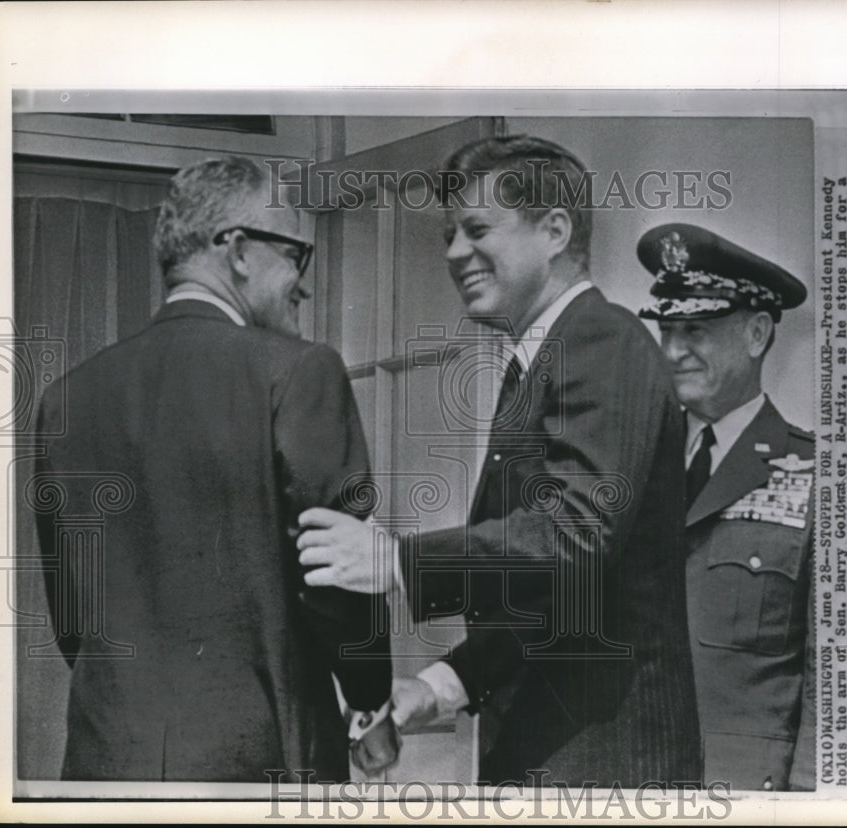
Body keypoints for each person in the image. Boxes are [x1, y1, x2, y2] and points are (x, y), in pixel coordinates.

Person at [297, 135, 700, 787]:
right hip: (563, 766)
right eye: (449, 235)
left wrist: (396, 561)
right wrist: (442, 684)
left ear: (555, 230)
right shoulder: (548, 357)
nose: (456, 253)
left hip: (601, 772)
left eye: (477, 228)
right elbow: (563, 603)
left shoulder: (601, 341)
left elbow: (577, 535)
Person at [32, 156, 395, 782]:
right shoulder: (300, 371)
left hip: (105, 766)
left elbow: (74, 621)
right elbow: (338, 578)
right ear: (239, 250)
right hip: (261, 768)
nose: (302, 283)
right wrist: (369, 703)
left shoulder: (68, 397)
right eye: (296, 255)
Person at [636, 222, 815, 791]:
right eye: (667, 329)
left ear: (757, 333)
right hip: (627, 785)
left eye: (697, 329)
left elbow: (834, 674)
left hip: (747, 794)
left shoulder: (820, 478)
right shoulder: (629, 467)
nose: (674, 350)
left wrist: (814, 804)